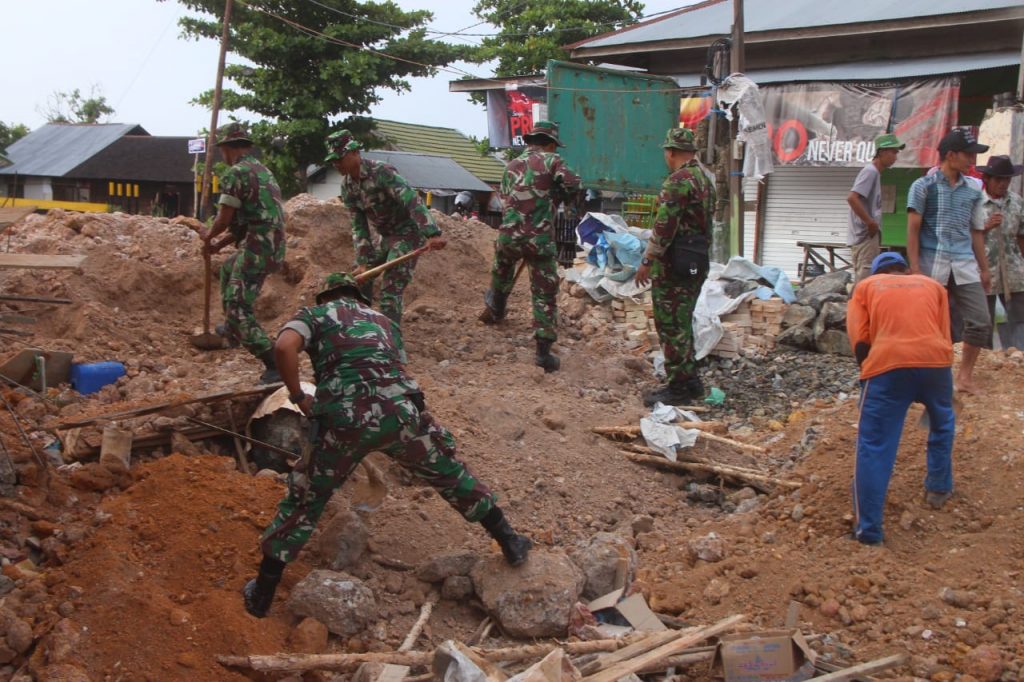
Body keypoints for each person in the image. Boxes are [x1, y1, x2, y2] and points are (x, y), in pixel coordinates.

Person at [243, 273, 532, 618]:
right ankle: (510, 540)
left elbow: (283, 347)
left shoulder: (315, 315)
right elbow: (399, 372)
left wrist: (296, 395)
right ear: (359, 297)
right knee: (449, 473)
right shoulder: (383, 320)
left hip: (344, 420)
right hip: (401, 413)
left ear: (326, 297)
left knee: (306, 497)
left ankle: (262, 594)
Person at [846, 252, 955, 546]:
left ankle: (869, 531)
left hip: (889, 366)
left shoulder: (867, 287)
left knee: (875, 445)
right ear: (906, 271)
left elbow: (859, 340)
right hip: (936, 362)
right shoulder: (932, 286)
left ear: (877, 272)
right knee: (942, 422)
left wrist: (870, 374)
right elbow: (945, 333)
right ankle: (938, 489)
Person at [479, 120, 581, 373]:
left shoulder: (510, 165)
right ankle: (543, 353)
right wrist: (560, 196)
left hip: (509, 236)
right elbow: (572, 182)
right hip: (539, 239)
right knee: (544, 292)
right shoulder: (551, 160)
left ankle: (496, 307)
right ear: (549, 144)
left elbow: (505, 198)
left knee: (502, 270)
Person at [327, 130, 446, 327]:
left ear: (355, 152)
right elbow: (359, 226)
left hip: (408, 234)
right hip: (386, 237)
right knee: (359, 279)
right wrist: (363, 261)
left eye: (340, 158)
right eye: (333, 160)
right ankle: (363, 330)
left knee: (391, 288)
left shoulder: (381, 172)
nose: (336, 164)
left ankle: (392, 345)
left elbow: (410, 199)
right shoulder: (347, 187)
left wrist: (431, 233)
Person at [635, 128, 716, 406]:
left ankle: (679, 387)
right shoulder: (705, 180)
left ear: (670, 152)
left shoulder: (678, 181)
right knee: (682, 321)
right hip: (696, 262)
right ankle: (690, 381)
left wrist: (647, 260)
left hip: (675, 266)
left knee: (670, 324)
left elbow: (664, 228)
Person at [200, 122, 286, 384]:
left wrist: (209, 235)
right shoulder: (263, 172)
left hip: (257, 248)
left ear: (228, 149)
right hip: (270, 245)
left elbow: (225, 219)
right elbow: (247, 222)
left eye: (222, 151)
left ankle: (274, 363)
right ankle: (233, 331)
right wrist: (219, 245)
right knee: (228, 267)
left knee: (238, 307)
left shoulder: (235, 174)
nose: (221, 156)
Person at [906, 128, 991, 394]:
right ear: (951, 155)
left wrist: (985, 268)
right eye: (968, 155)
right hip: (932, 266)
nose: (971, 161)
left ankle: (964, 377)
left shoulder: (974, 190)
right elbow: (913, 230)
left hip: (965, 264)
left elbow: (976, 231)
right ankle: (925, 380)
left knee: (980, 320)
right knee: (928, 326)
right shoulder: (923, 187)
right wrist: (916, 269)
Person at [976, 155, 1024, 349]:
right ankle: (984, 363)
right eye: (998, 179)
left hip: (1014, 274)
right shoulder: (976, 202)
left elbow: (1021, 236)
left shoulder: (1017, 202)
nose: (1003, 184)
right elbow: (966, 238)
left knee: (1019, 320)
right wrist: (985, 227)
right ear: (987, 179)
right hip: (984, 272)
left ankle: (1018, 359)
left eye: (1007, 179)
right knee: (983, 322)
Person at [847, 134, 905, 284]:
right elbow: (852, 198)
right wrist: (870, 223)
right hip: (864, 236)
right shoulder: (870, 171)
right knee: (864, 282)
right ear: (882, 152)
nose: (895, 157)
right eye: (893, 152)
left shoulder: (875, 173)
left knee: (867, 279)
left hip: (867, 236)